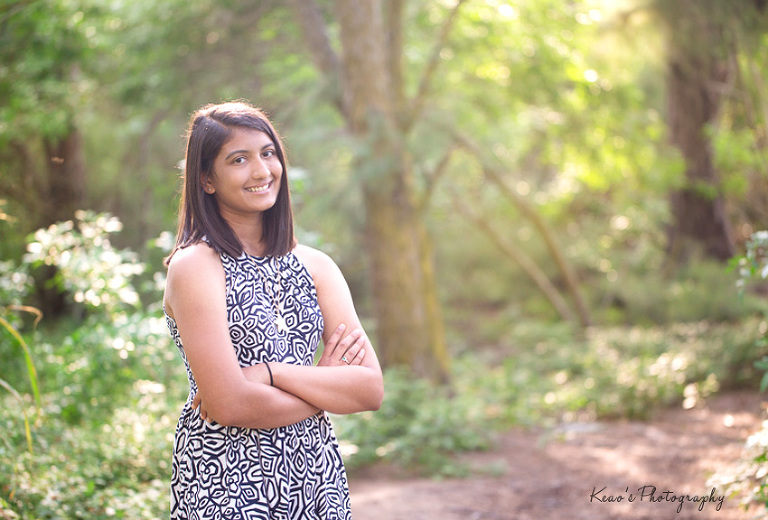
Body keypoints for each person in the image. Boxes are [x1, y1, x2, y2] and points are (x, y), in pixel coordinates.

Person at [163, 101, 384, 519]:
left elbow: (369, 390)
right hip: (227, 485)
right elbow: (229, 406)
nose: (262, 171)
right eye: (239, 159)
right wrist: (326, 388)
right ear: (207, 180)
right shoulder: (196, 267)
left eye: (267, 153)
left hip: (316, 479)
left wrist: (271, 374)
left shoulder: (316, 266)